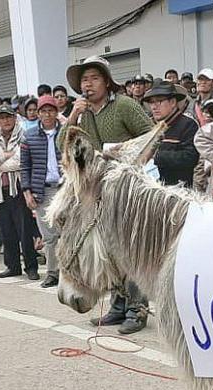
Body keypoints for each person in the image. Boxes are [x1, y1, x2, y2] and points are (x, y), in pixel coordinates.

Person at [63, 55, 154, 335]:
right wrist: (74, 115)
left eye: (93, 78)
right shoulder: (85, 113)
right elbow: (63, 143)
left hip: (129, 187)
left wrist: (132, 163)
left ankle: (137, 309)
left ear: (106, 81)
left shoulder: (124, 105)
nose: (87, 84)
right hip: (100, 190)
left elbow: (151, 135)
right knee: (111, 249)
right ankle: (117, 304)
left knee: (130, 249)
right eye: (83, 80)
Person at [0, 105, 38, 280]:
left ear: (14, 118)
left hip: (19, 191)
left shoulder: (24, 135)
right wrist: (3, 157)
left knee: (25, 231)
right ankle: (12, 266)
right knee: (6, 232)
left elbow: (21, 161)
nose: (5, 121)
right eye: (2, 118)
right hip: (0, 191)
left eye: (8, 117)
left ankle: (31, 267)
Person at [21, 95, 63, 288]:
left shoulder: (67, 132)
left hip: (65, 189)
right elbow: (25, 167)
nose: (47, 114)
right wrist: (27, 192)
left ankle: (71, 272)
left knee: (69, 232)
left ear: (57, 112)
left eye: (51, 110)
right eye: (43, 111)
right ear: (38, 114)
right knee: (49, 235)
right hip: (42, 191)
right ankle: (53, 273)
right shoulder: (29, 136)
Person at [143, 80, 199, 186]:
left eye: (159, 101)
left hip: (178, 191)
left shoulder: (188, 124)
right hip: (152, 189)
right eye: (151, 102)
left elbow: (190, 157)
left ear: (173, 102)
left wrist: (156, 156)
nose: (154, 107)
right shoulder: (151, 127)